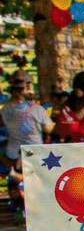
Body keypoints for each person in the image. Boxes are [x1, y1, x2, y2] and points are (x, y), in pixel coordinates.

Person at [1, 76, 53, 213]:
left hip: (15, 151)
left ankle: (18, 203)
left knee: (15, 176)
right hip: (34, 150)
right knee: (33, 177)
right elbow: (49, 128)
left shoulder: (6, 109)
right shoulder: (38, 109)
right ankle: (32, 204)